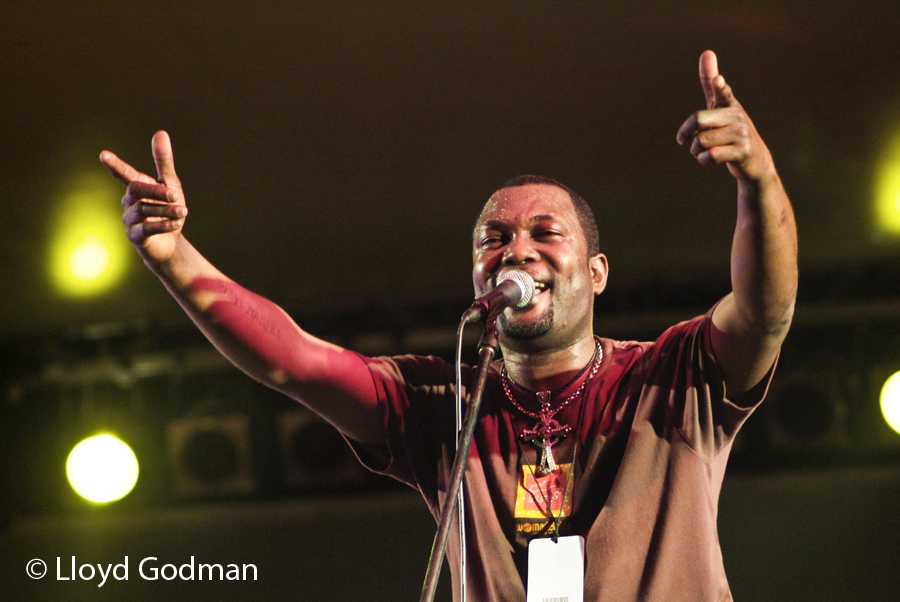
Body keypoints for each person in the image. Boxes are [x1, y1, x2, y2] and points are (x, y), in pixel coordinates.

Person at [100, 50, 797, 601]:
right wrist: (173, 259)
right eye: (492, 239)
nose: (515, 250)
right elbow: (297, 362)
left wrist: (758, 181)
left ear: (596, 273)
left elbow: (764, 309)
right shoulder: (444, 404)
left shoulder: (669, 378)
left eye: (544, 233)